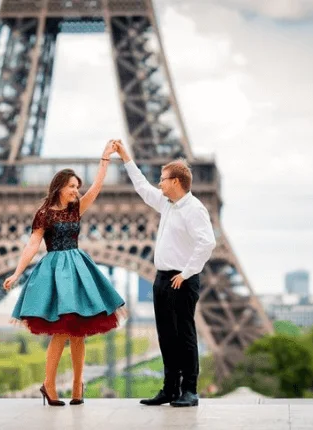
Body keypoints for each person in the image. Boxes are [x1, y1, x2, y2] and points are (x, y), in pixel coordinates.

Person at [3, 140, 126, 407]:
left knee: (78, 333)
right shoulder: (44, 214)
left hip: (78, 270)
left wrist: (104, 159)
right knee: (61, 331)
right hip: (55, 274)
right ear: (59, 187)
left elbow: (97, 188)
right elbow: (32, 245)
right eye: (72, 186)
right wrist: (16, 273)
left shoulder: (76, 209)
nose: (76, 191)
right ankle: (49, 386)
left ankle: (77, 386)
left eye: (77, 187)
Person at [114, 140, 216, 407]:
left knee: (185, 334)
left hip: (181, 279)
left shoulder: (194, 209)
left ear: (177, 181)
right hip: (161, 278)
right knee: (166, 336)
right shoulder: (167, 204)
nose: (159, 183)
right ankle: (170, 389)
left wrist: (187, 272)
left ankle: (190, 390)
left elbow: (207, 242)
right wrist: (126, 158)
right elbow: (141, 187)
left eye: (163, 179)